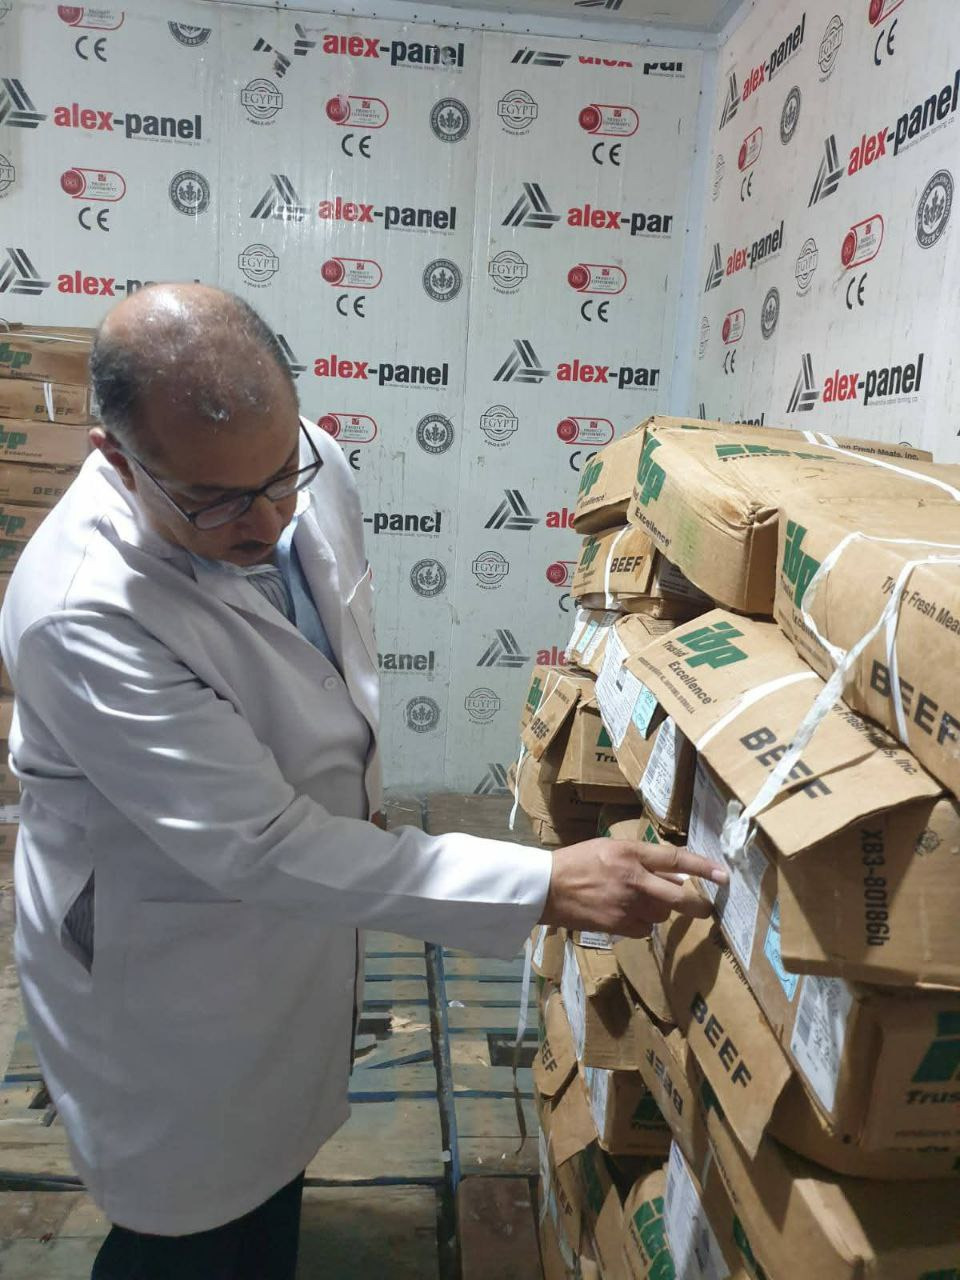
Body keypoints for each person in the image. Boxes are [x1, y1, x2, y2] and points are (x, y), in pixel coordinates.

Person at [0, 284, 725, 1280]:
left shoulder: (313, 466)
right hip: (165, 949)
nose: (266, 520)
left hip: (294, 909)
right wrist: (541, 883)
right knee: (189, 1220)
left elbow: (319, 677)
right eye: (213, 500)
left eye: (277, 477)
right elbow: (259, 844)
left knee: (271, 1166)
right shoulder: (83, 610)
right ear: (116, 460)